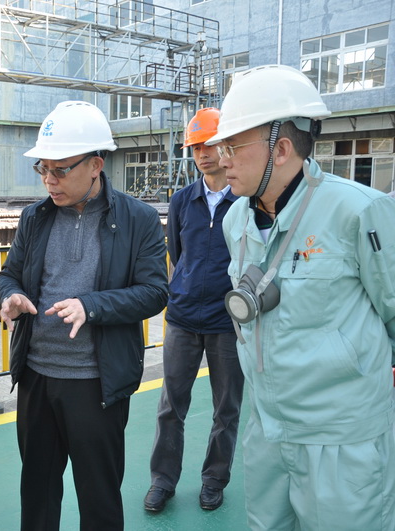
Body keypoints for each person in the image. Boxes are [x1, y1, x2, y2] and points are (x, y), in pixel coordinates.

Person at [205, 64, 395, 530]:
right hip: (267, 428)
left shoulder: (359, 211)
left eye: (232, 147)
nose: (221, 159)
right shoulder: (235, 221)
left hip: (340, 436)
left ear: (282, 149)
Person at [0, 100, 168, 530]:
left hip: (97, 384)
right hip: (37, 377)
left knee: (99, 498)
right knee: (37, 492)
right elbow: (9, 274)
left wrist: (91, 306)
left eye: (60, 170)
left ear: (95, 165)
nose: (49, 180)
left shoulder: (139, 220)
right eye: (43, 169)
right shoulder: (35, 217)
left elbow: (154, 293)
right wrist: (10, 295)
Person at [144, 108, 243, 513]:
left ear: (226, 147)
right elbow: (178, 254)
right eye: (195, 147)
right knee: (171, 405)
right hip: (183, 318)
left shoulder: (246, 201)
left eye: (209, 145)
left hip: (227, 323)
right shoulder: (183, 200)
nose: (202, 153)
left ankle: (214, 480)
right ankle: (162, 481)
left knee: (226, 408)